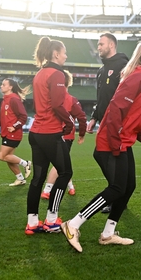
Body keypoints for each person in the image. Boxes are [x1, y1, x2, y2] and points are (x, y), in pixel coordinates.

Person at [60, 42, 141, 251]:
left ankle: (108, 233)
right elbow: (115, 111)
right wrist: (116, 144)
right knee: (116, 188)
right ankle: (73, 224)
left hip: (121, 140)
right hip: (113, 142)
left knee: (128, 186)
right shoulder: (139, 78)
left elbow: (131, 117)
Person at [24, 37, 75, 235]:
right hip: (50, 133)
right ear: (55, 54)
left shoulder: (40, 74)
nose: (66, 56)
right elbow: (57, 105)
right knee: (66, 173)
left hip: (35, 132)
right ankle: (52, 220)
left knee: (38, 178)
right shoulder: (57, 74)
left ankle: (32, 222)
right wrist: (69, 122)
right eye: (64, 52)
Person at [86, 33, 129, 214]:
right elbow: (100, 98)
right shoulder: (101, 70)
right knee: (104, 156)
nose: (98, 47)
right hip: (104, 121)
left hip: (118, 122)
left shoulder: (123, 65)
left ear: (111, 45)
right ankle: (118, 194)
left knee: (108, 156)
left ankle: (116, 195)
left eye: (101, 44)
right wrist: (94, 118)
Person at [41, 70, 86, 199]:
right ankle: (56, 189)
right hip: (65, 136)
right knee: (61, 163)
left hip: (49, 134)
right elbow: (82, 117)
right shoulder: (71, 100)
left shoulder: (49, 98)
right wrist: (81, 134)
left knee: (61, 163)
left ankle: (60, 188)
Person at [0, 78, 31, 186]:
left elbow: (23, 117)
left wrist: (15, 127)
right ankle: (20, 179)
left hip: (13, 133)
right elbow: (3, 119)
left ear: (10, 87)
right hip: (6, 133)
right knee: (9, 159)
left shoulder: (14, 99)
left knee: (2, 156)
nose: (1, 86)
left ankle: (26, 163)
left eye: (3, 84)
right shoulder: (5, 100)